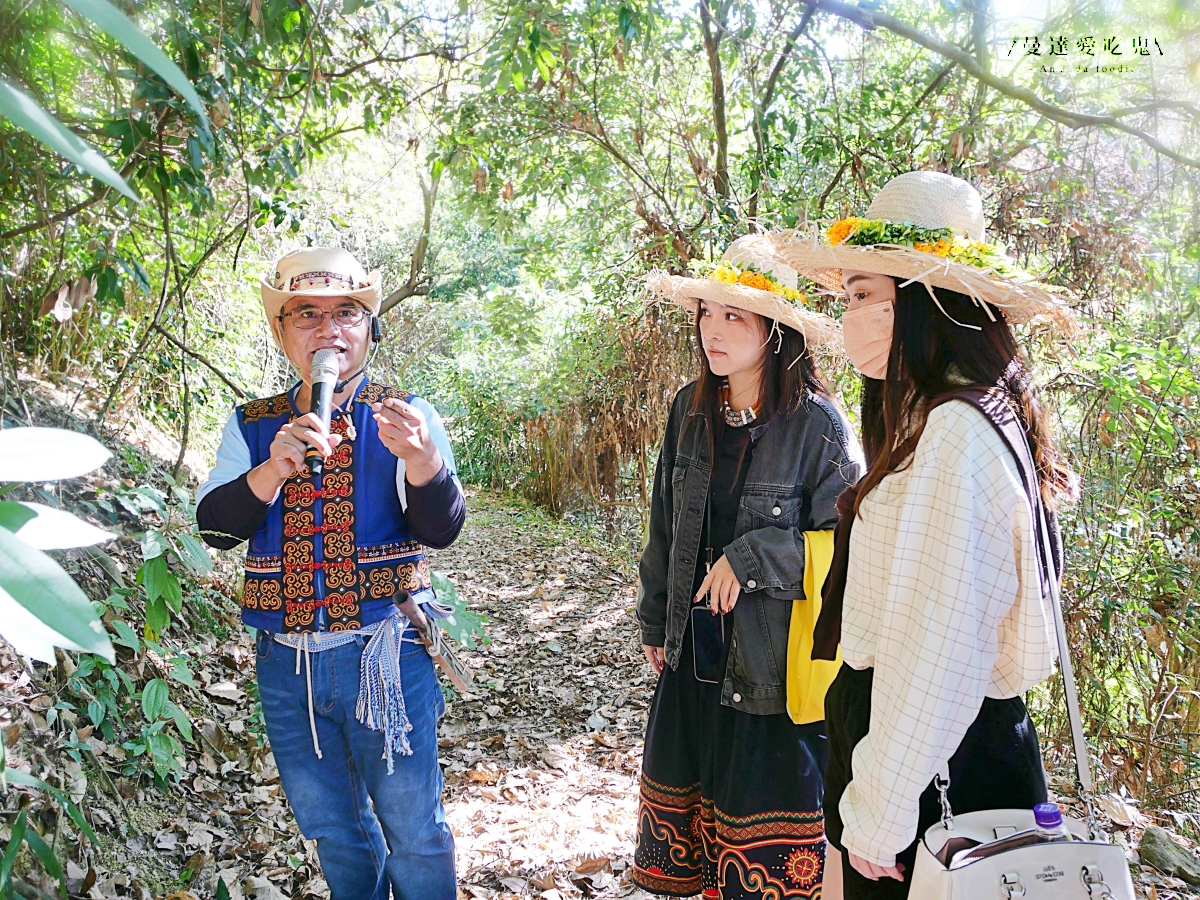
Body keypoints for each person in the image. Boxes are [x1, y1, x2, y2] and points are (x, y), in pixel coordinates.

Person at [773, 171, 1078, 898]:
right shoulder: (943, 418)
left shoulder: (954, 433)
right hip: (926, 746)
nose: (847, 315)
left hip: (938, 759)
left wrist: (881, 809)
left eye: (861, 295)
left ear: (922, 302)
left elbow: (940, 644)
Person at [195, 247, 464, 900]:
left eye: (347, 312)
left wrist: (425, 464)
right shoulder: (252, 425)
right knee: (332, 829)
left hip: (386, 654)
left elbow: (442, 528)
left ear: (370, 328)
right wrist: (270, 470)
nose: (329, 331)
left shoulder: (405, 415)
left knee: (413, 827)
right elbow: (214, 528)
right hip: (287, 667)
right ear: (282, 333)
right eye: (306, 315)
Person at [635, 236, 863, 900]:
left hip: (770, 671)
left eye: (735, 316)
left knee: (763, 868)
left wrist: (756, 556)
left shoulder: (818, 425)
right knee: (700, 842)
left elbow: (852, 551)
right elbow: (665, 520)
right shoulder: (689, 409)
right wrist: (655, 619)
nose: (714, 329)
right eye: (708, 313)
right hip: (693, 655)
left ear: (777, 330)